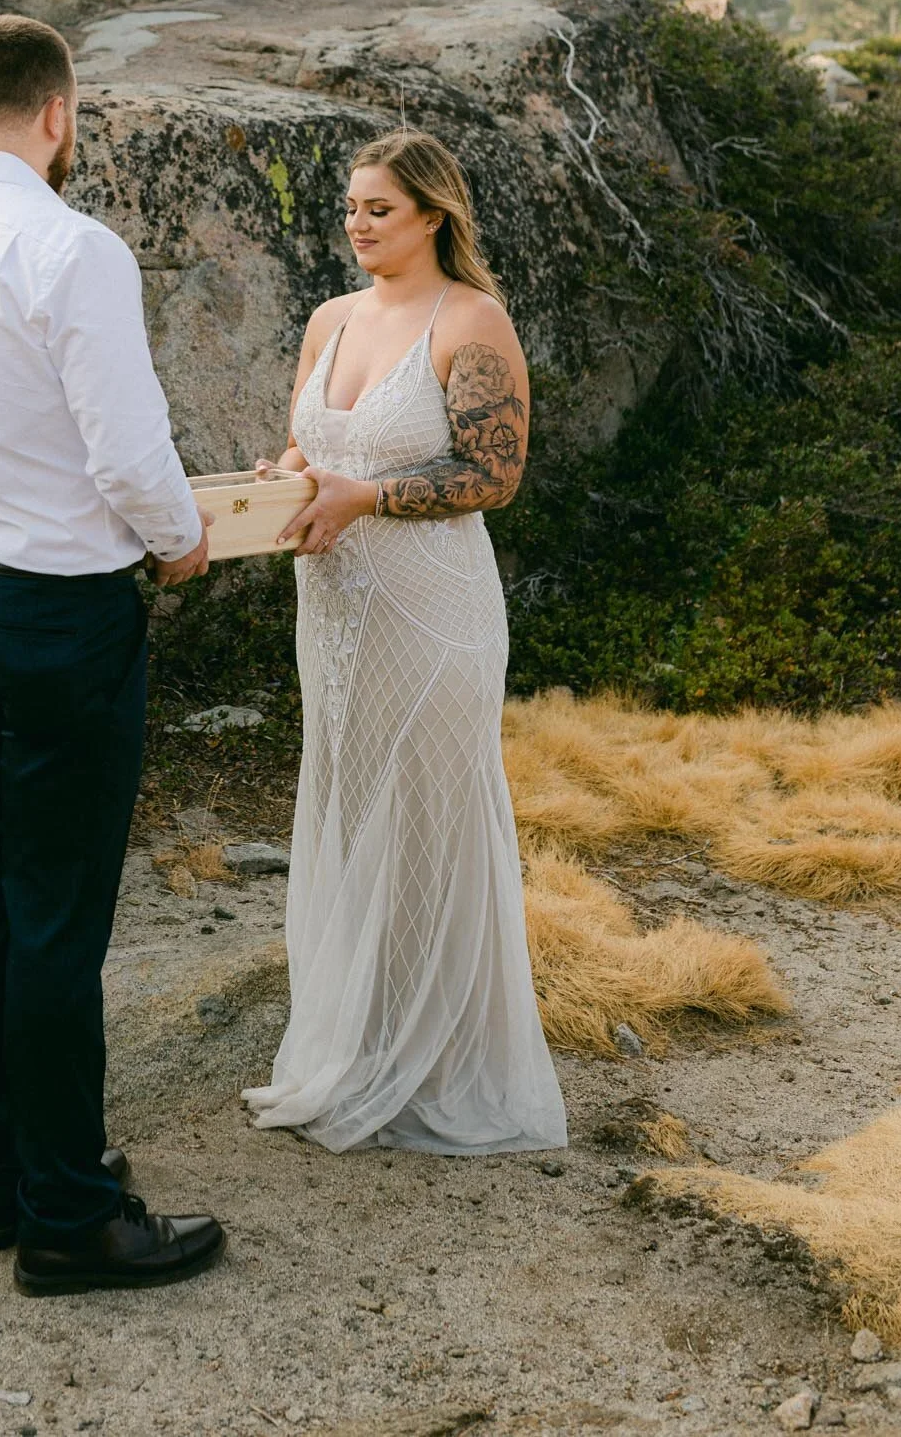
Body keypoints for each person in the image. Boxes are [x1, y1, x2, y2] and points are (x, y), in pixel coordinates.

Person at [0, 14, 225, 1296]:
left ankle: (2, 1175)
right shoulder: (72, 249)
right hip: (62, 616)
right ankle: (71, 1216)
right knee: (60, 917)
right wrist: (181, 536)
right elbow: (129, 454)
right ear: (59, 113)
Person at [242, 129, 567, 1155]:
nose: (358, 224)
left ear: (433, 216)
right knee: (350, 799)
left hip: (432, 614)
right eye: (350, 207)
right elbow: (311, 444)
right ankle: (361, 1034)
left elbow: (494, 474)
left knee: (426, 817)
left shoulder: (471, 322)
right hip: (334, 615)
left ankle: (435, 1059)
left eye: (379, 209)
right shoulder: (331, 319)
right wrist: (278, 480)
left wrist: (366, 494)